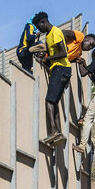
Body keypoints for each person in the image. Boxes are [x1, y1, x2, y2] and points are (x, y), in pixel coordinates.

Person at [33, 11, 71, 146]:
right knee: (53, 101)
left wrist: (48, 58)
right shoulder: (49, 35)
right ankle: (58, 132)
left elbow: (63, 52)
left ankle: (53, 131)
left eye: (39, 26)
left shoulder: (55, 32)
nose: (39, 30)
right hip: (60, 69)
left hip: (61, 69)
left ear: (44, 22)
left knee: (49, 101)